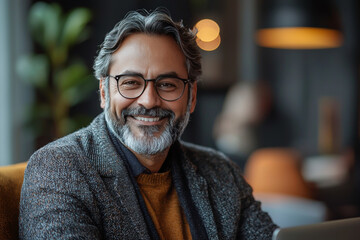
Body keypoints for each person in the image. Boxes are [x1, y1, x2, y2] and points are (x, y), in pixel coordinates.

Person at [19, 8, 278, 240]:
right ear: (103, 93)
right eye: (130, 82)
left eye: (167, 84)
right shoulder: (58, 169)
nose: (149, 101)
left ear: (192, 97)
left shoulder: (221, 172)